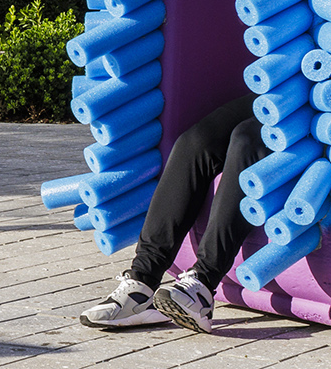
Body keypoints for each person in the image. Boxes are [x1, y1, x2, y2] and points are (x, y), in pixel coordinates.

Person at [80, 93, 260, 335]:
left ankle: (203, 287)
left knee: (246, 140)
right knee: (195, 142)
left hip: (322, 106)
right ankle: (141, 285)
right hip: (291, 76)